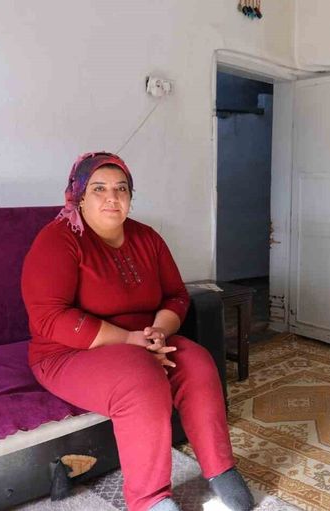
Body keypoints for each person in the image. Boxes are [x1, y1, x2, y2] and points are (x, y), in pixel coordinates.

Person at [21, 152, 255, 511]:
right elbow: (49, 317)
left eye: (121, 188)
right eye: (99, 189)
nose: (112, 197)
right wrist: (131, 341)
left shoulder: (147, 237)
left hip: (146, 340)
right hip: (68, 353)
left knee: (197, 362)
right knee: (140, 377)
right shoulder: (58, 240)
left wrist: (159, 331)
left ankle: (220, 468)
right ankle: (149, 500)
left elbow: (176, 295)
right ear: (79, 195)